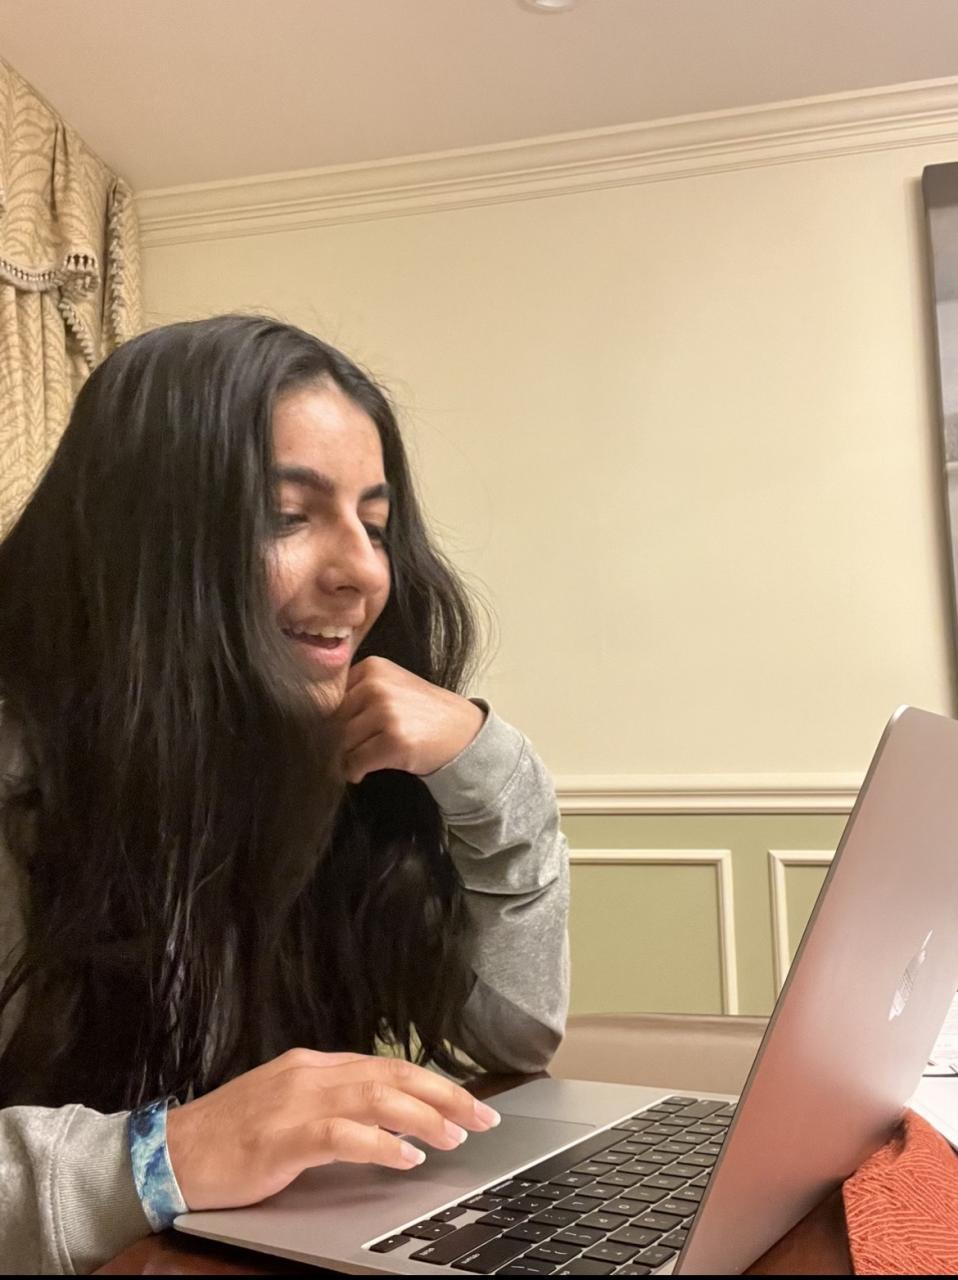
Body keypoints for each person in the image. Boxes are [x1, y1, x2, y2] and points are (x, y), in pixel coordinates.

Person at [0, 315, 570, 1274]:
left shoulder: (325, 755)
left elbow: (515, 1036)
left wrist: (492, 771)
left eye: (375, 525)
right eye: (286, 516)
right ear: (141, 538)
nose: (363, 571)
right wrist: (159, 1158)